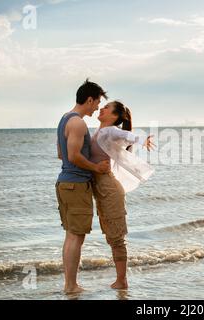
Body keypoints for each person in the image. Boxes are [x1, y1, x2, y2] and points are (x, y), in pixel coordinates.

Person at [90, 101, 155, 289]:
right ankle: (120, 279)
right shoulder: (99, 131)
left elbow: (126, 134)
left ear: (115, 116)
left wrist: (142, 140)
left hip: (109, 189)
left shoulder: (110, 131)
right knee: (110, 235)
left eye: (107, 107)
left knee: (116, 235)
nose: (102, 108)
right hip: (102, 188)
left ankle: (122, 281)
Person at [55, 79, 110, 294]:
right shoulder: (78, 123)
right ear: (89, 99)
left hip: (66, 183)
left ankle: (70, 284)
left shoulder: (64, 119)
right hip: (76, 185)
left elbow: (61, 154)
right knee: (76, 236)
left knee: (72, 235)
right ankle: (71, 286)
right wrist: (96, 167)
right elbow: (73, 155)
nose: (97, 107)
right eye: (97, 102)